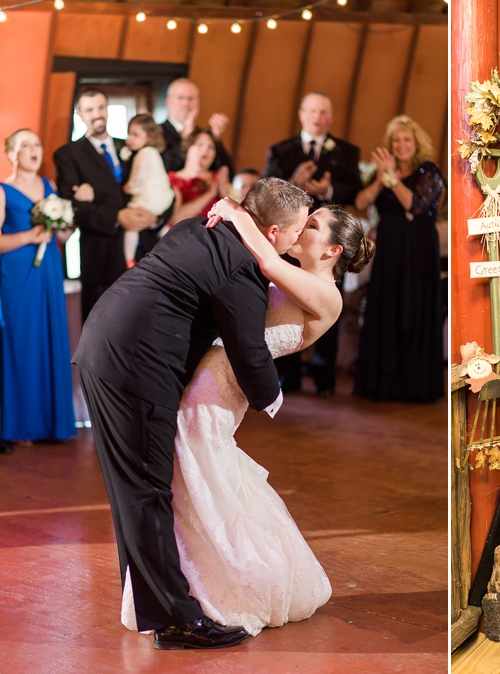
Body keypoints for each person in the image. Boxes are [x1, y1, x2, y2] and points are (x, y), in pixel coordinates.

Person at [118, 195, 374, 638]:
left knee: (193, 468)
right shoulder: (290, 270)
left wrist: (239, 213)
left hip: (221, 389)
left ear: (332, 251)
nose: (301, 230)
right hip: (209, 373)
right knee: (190, 475)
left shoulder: (325, 295)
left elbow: (270, 267)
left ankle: (213, 589)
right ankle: (180, 588)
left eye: (311, 226)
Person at [72, 178, 309, 649]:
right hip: (134, 367)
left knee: (133, 492)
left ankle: (151, 605)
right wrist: (271, 398)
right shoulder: (242, 266)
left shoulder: (197, 226)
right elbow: (248, 349)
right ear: (275, 230)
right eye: (298, 231)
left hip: (104, 347)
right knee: (146, 492)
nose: (300, 240)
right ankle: (177, 621)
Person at [263, 91, 363, 396]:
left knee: (324, 302)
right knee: (286, 302)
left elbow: (355, 190)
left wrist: (328, 188)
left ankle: (324, 377)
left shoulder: (347, 151)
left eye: (324, 113)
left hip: (329, 243)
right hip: (291, 239)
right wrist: (294, 181)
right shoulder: (281, 150)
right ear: (302, 114)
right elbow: (266, 189)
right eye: (313, 111)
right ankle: (287, 376)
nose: (319, 118)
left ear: (330, 118)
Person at [353, 115, 445, 402]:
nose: (401, 144)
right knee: (386, 304)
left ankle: (414, 385)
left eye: (406, 139)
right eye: (396, 139)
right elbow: (360, 202)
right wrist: (381, 180)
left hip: (418, 248)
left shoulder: (429, 171)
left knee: (413, 306)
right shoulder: (383, 170)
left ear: (416, 143)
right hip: (390, 248)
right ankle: (383, 383)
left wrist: (392, 178)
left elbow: (414, 205)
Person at [53, 88, 159, 321]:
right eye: (90, 109)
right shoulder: (68, 154)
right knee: (102, 327)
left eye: (101, 107)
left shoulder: (130, 146)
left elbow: (158, 182)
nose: (97, 114)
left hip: (145, 253)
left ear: (108, 110)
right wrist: (117, 217)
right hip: (99, 256)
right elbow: (72, 207)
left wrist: (156, 217)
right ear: (80, 114)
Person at [0, 129, 76, 445]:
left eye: (37, 144)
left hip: (48, 271)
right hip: (16, 277)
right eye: (25, 144)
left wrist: (65, 222)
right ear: (11, 154)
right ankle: (20, 426)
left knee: (48, 339)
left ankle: (50, 422)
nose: (34, 149)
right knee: (21, 343)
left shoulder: (50, 187)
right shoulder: (3, 190)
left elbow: (62, 237)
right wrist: (29, 237)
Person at [120, 114, 174, 266]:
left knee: (132, 224)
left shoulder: (144, 153)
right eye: (129, 134)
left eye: (135, 135)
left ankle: (129, 259)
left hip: (150, 198)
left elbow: (140, 177)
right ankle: (174, 247)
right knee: (161, 228)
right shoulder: (154, 152)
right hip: (162, 197)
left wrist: (129, 188)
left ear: (149, 136)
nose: (130, 139)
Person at [160, 78, 234, 176]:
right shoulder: (156, 132)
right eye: (180, 98)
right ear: (169, 102)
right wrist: (186, 140)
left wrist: (216, 139)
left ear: (198, 102)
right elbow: (164, 169)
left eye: (190, 98)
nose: (186, 103)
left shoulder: (203, 135)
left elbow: (227, 173)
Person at [168, 128, 229, 225]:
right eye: (200, 144)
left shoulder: (220, 179)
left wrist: (224, 196)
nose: (206, 149)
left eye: (211, 147)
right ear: (188, 148)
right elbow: (176, 219)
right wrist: (210, 193)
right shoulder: (173, 180)